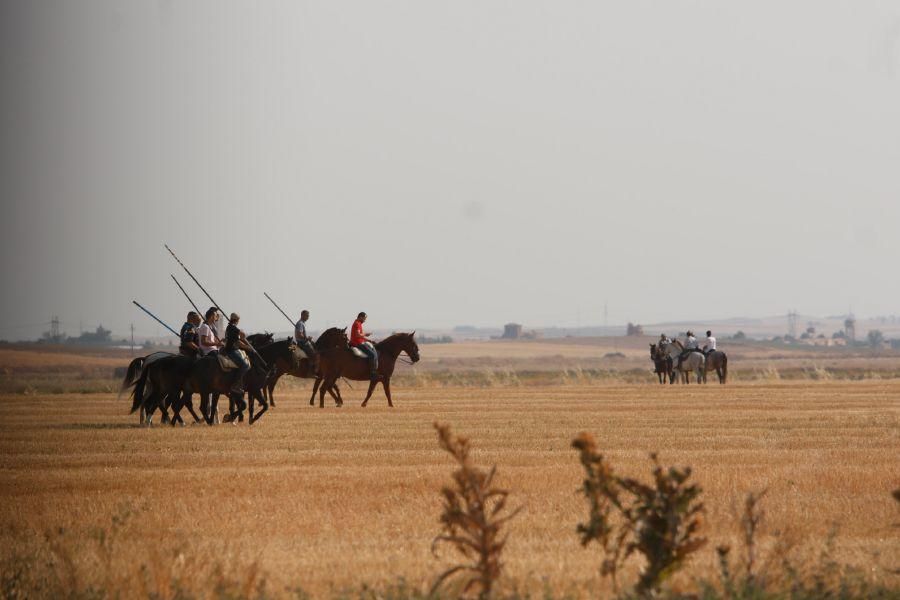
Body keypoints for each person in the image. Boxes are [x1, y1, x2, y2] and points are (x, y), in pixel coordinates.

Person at [224, 312, 252, 395]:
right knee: (245, 365)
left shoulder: (230, 327)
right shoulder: (234, 329)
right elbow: (238, 342)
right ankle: (235, 385)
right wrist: (248, 348)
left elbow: (238, 340)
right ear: (237, 320)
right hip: (231, 351)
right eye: (238, 320)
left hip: (234, 350)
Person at [350, 311, 378, 380]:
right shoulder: (357, 324)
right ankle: (372, 373)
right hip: (357, 344)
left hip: (360, 342)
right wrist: (366, 334)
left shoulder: (359, 323)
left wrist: (369, 340)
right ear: (360, 317)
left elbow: (360, 336)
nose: (365, 320)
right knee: (372, 355)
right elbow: (358, 335)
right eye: (364, 319)